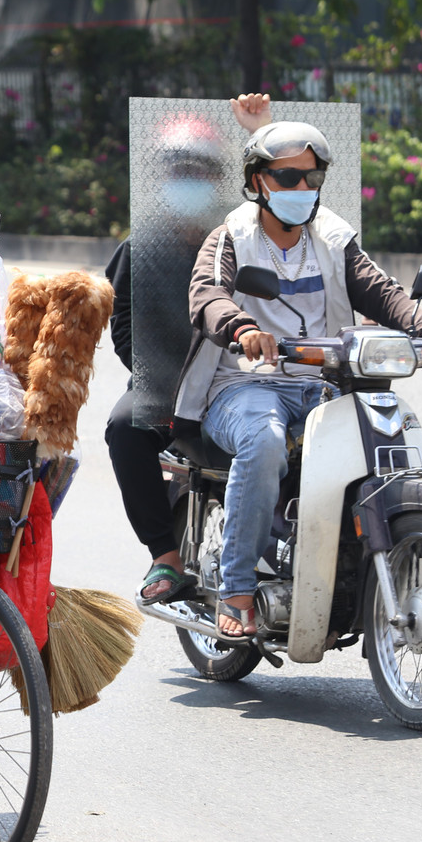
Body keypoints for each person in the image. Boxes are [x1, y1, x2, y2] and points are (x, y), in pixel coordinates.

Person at [172, 120, 422, 638]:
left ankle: (414, 563)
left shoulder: (332, 236)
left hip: (324, 384)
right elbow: (207, 295)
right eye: (287, 177)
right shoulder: (231, 236)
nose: (302, 189)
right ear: (258, 180)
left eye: (312, 177)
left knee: (406, 441)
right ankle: (236, 591)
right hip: (243, 386)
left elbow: (379, 289)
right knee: (263, 443)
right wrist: (242, 326)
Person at [106, 94, 273, 604]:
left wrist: (259, 131)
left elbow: (297, 206)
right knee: (123, 428)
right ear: (160, 180)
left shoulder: (244, 235)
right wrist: (160, 376)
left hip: (243, 375)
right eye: (180, 170)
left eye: (201, 170)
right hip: (166, 383)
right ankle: (165, 556)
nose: (191, 179)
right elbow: (122, 326)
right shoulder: (140, 248)